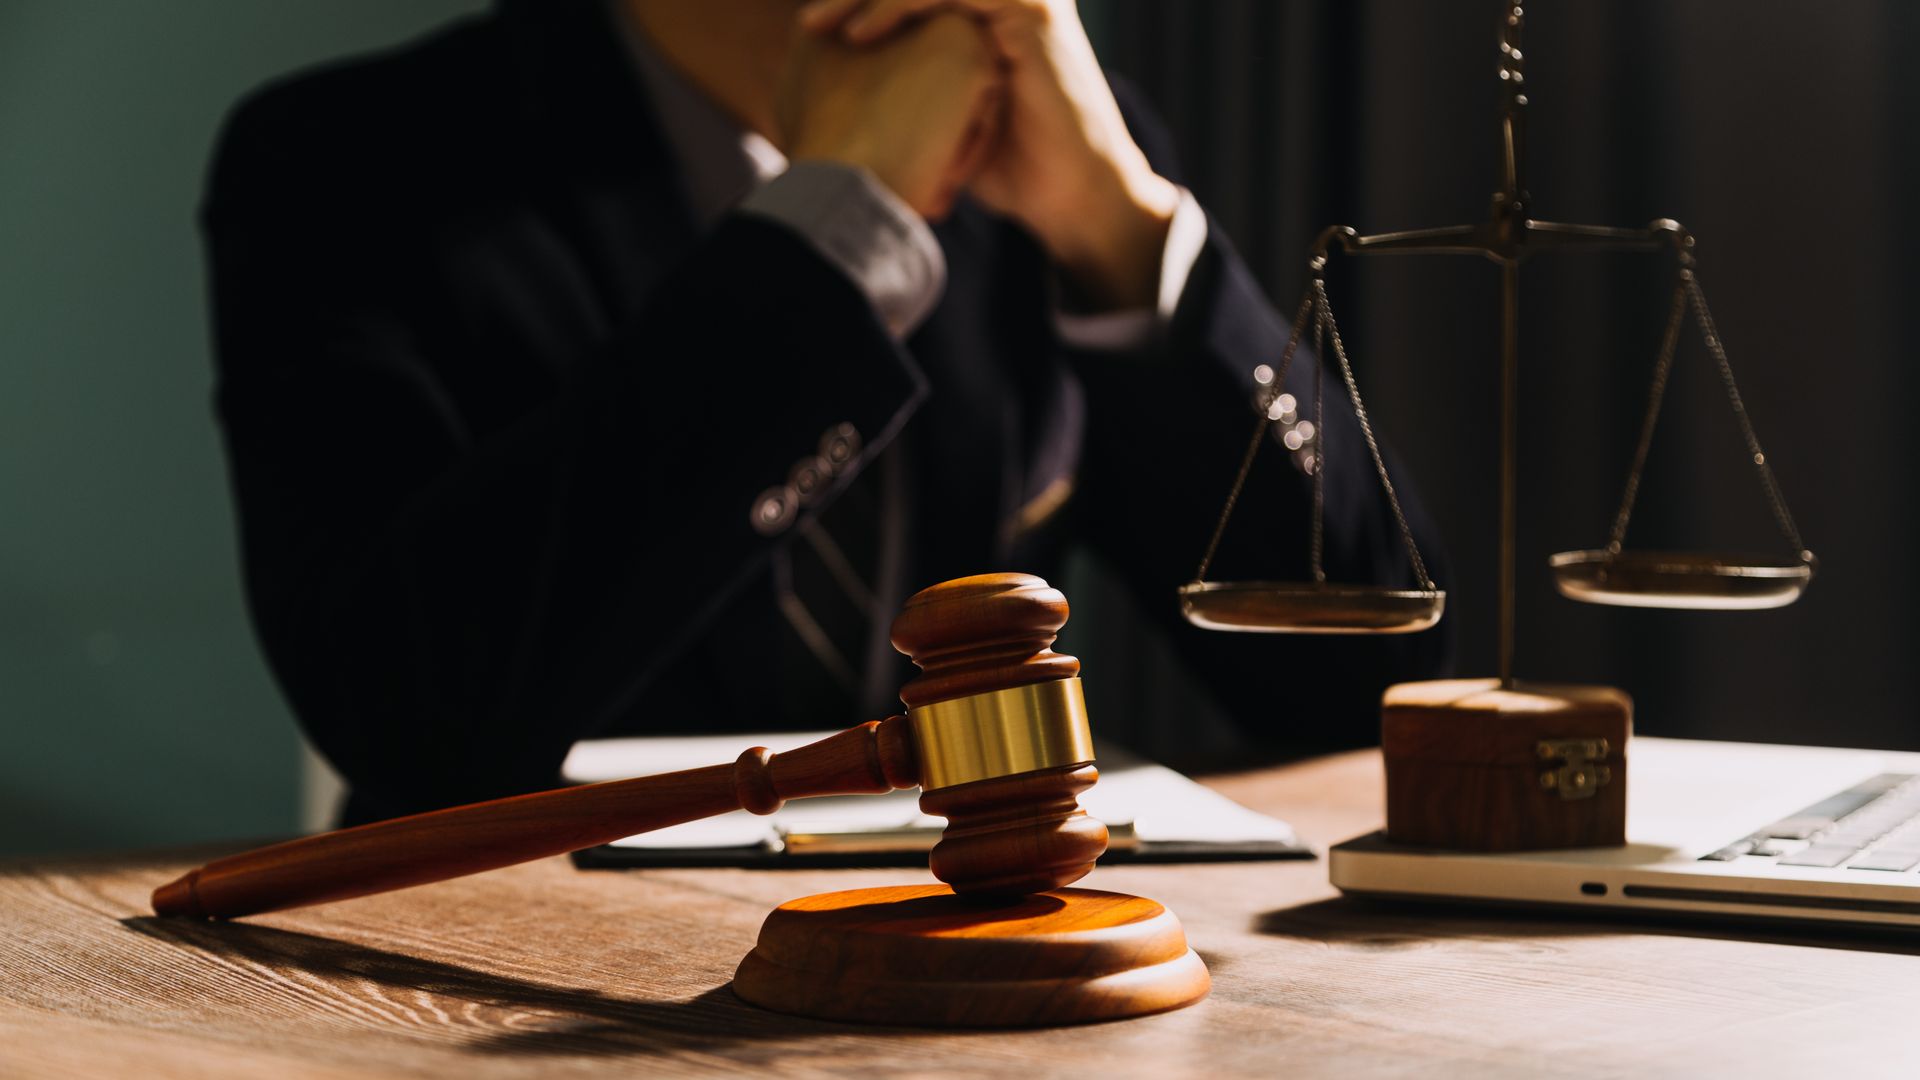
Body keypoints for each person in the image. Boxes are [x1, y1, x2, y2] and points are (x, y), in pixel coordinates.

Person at [204, 0, 1449, 826]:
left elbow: (1366, 684)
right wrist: (831, 237)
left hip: (966, 956)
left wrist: (1120, 230)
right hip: (494, 976)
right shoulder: (342, 158)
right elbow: (401, 710)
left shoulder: (1051, 139)